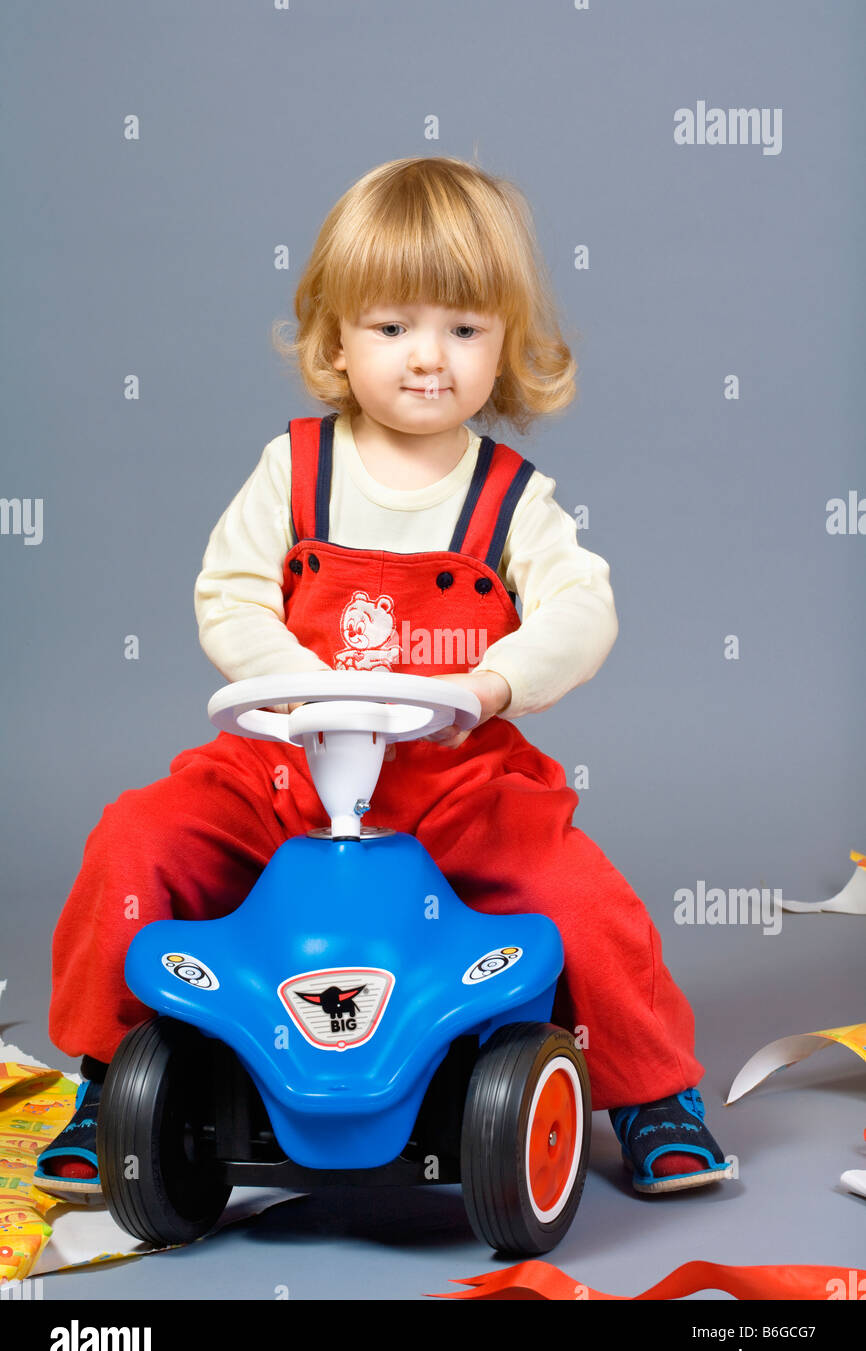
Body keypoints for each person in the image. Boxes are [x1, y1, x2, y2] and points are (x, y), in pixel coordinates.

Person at [35, 155, 731, 1202]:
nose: (426, 361)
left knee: (578, 898)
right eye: (392, 328)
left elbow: (582, 609)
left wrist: (494, 683)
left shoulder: (510, 500)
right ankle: (108, 1076)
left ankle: (647, 1093)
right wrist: (293, 684)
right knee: (137, 837)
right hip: (278, 778)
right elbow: (227, 593)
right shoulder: (294, 469)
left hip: (451, 788)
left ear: (505, 344)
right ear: (336, 339)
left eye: (462, 330)